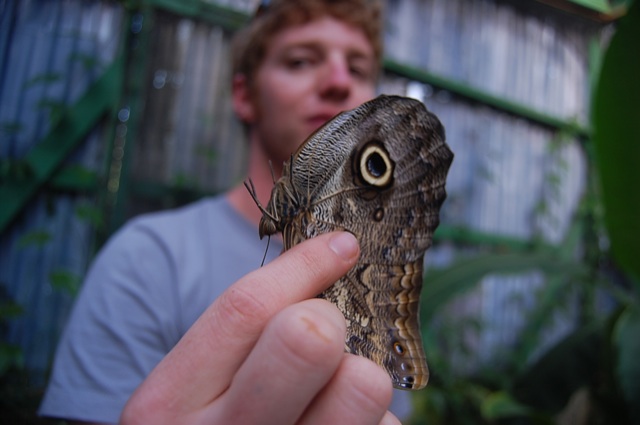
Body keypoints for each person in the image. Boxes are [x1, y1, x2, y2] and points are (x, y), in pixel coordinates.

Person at [39, 0, 412, 423]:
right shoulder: (149, 258)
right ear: (244, 95)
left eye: (358, 69)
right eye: (301, 61)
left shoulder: (377, 276)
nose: (339, 81)